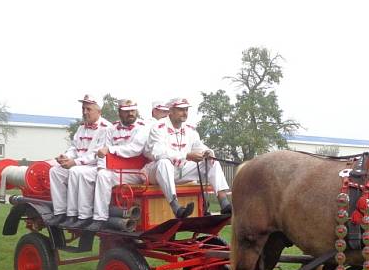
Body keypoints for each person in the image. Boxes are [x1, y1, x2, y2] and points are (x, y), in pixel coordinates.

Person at [144, 97, 232, 218]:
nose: (185, 113)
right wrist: (186, 155)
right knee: (164, 163)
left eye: (186, 109)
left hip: (181, 170)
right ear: (171, 111)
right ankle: (176, 207)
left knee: (212, 162)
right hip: (156, 172)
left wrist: (207, 152)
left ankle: (224, 203)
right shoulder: (158, 127)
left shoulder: (190, 130)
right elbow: (157, 152)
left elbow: (199, 146)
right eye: (181, 109)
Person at [48, 95, 109, 226]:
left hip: (96, 166)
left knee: (77, 171)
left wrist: (74, 162)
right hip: (80, 164)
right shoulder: (82, 128)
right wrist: (65, 157)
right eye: (83, 109)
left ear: (99, 111)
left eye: (88, 109)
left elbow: (97, 155)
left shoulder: (106, 128)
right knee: (55, 171)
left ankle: (82, 215)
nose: (85, 112)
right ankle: (60, 212)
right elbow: (74, 147)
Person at [89, 99, 149, 230]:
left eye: (132, 110)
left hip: (135, 172)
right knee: (100, 174)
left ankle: (99, 215)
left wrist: (111, 149)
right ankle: (97, 217)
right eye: (127, 111)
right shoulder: (111, 129)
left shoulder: (143, 127)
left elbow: (134, 149)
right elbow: (102, 150)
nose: (130, 114)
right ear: (120, 112)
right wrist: (101, 166)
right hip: (115, 170)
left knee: (103, 175)